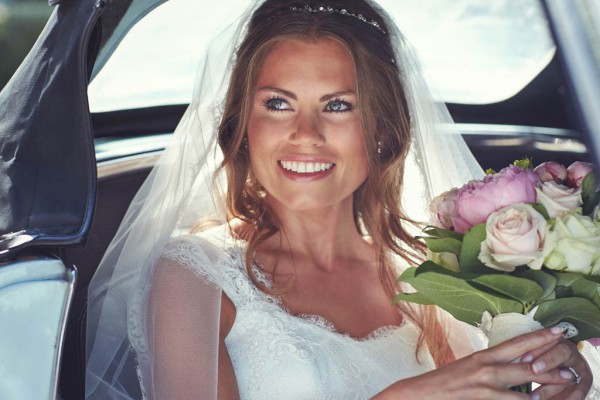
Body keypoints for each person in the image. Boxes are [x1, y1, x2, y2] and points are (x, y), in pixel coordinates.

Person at [85, 0, 599, 399]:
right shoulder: (195, 274)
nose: (305, 134)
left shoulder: (427, 273)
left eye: (337, 106)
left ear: (380, 129)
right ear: (244, 125)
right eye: (278, 104)